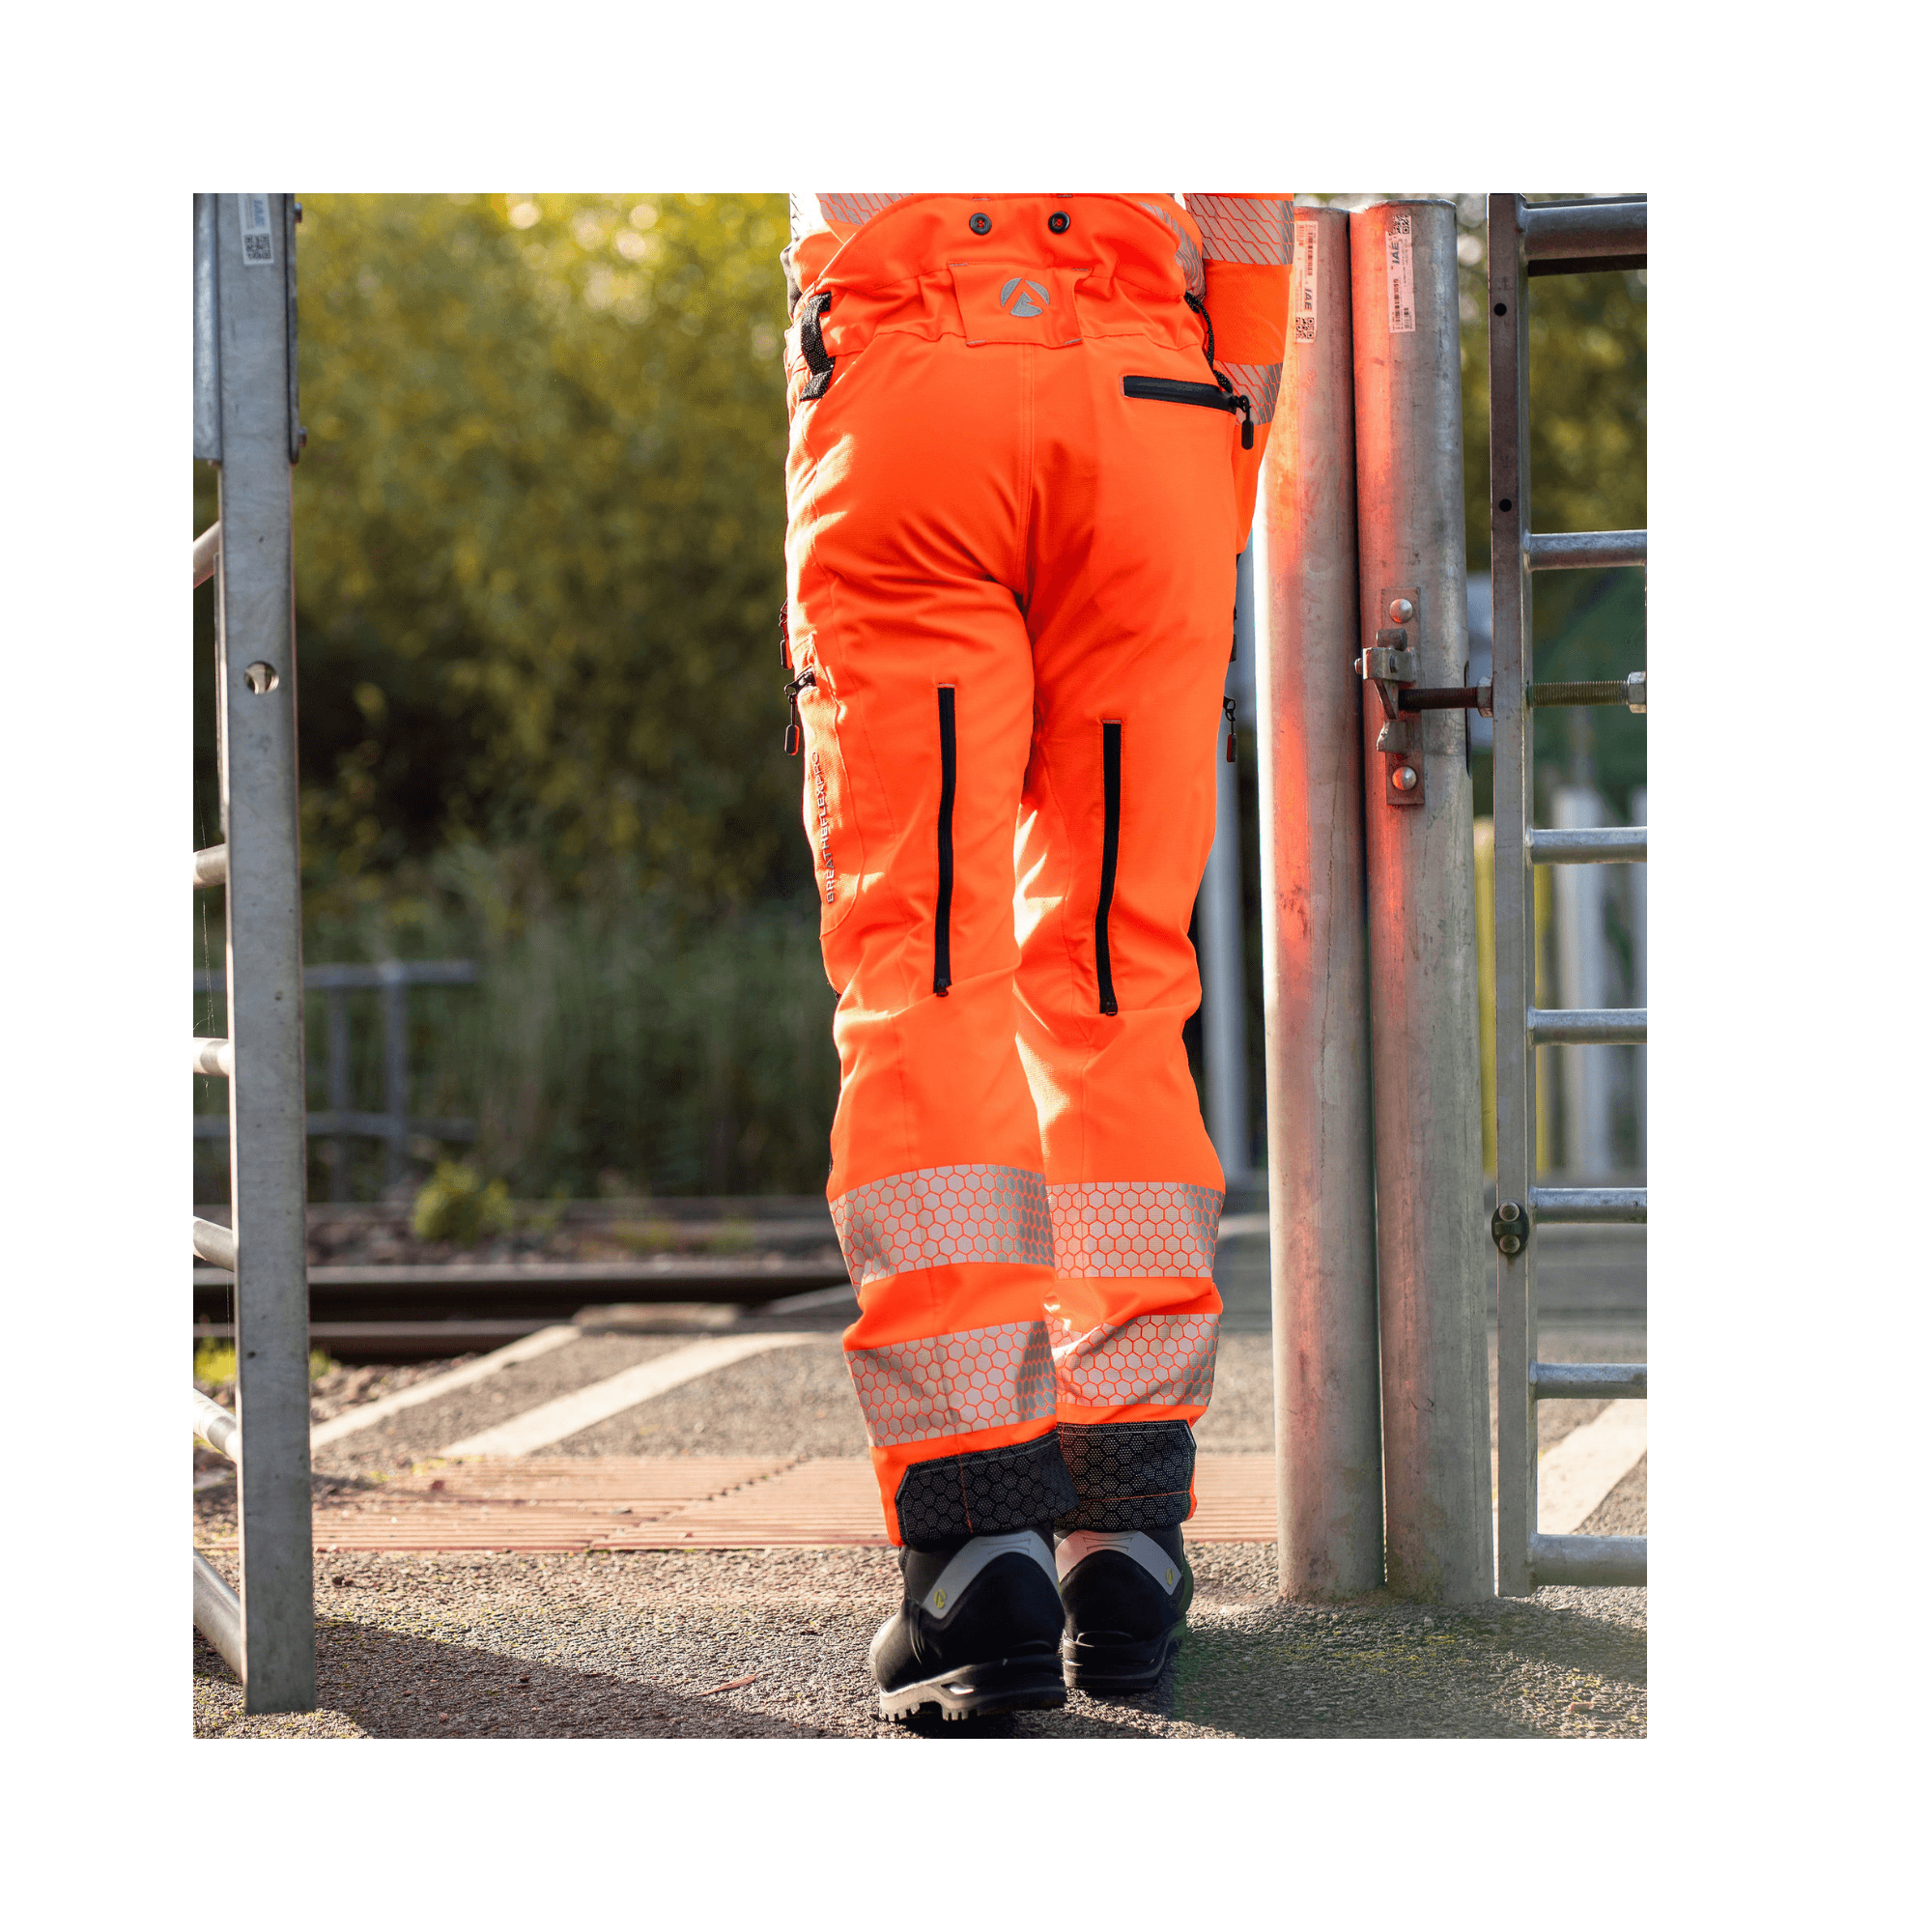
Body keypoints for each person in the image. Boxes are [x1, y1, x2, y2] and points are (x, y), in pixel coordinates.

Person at [780, 193, 1291, 1720]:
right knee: (1118, 972)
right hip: (1153, 416)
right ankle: (1122, 1533)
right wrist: (1219, 452)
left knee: (926, 973)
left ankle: (974, 1551)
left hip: (912, 402)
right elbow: (1254, 211)